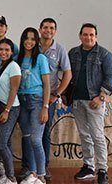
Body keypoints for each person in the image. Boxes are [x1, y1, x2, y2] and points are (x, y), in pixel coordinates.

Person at [68, 23, 112, 184]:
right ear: (80, 36)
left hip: (95, 101)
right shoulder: (73, 53)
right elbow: (68, 74)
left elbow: (110, 78)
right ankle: (88, 166)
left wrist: (101, 97)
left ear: (96, 36)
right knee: (84, 135)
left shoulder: (105, 54)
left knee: (97, 135)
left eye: (92, 35)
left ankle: (102, 169)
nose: (88, 37)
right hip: (77, 101)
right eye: (85, 34)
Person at [38, 18, 72, 180]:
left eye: (52, 28)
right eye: (45, 27)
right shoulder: (31, 45)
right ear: (40, 29)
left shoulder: (59, 50)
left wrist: (56, 94)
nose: (48, 31)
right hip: (30, 96)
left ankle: (44, 167)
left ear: (55, 31)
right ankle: (29, 166)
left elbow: (68, 74)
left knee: (44, 132)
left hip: (48, 100)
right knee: (29, 132)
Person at [17, 27, 50, 184]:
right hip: (21, 101)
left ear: (36, 41)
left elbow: (47, 85)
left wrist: (45, 107)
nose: (29, 42)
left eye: (32, 39)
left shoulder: (41, 58)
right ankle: (32, 172)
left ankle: (41, 175)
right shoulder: (18, 58)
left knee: (36, 139)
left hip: (37, 101)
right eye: (26, 38)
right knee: (27, 138)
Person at [0, 39, 21, 184]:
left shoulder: (14, 66)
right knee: (6, 142)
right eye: (1, 49)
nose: (3, 52)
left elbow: (14, 89)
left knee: (1, 142)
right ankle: (7, 174)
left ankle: (11, 177)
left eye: (7, 50)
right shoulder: (0, 65)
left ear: (12, 52)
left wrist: (7, 110)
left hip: (10, 108)